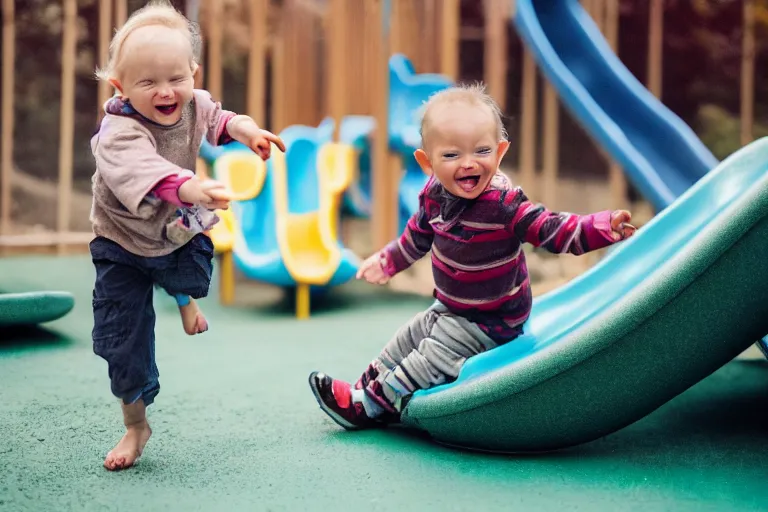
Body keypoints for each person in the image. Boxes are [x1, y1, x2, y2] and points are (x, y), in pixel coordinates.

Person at [308, 83, 636, 430]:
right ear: (427, 162)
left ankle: (370, 407)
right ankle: (363, 386)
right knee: (408, 336)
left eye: (481, 151)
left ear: (500, 151)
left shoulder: (504, 205)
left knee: (431, 356)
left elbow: (551, 229)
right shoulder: (433, 197)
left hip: (493, 319)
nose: (468, 164)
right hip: (452, 306)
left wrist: (600, 227)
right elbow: (416, 237)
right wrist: (388, 261)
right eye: (451, 155)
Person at [90, 0, 285, 470]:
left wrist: (246, 130)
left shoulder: (192, 100)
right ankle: (136, 425)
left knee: (193, 269)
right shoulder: (117, 133)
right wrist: (190, 186)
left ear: (192, 72)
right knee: (123, 342)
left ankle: (181, 294)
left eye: (176, 78)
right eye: (148, 82)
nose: (165, 91)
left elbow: (216, 116)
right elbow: (147, 170)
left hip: (172, 232)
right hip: (121, 241)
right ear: (120, 86)